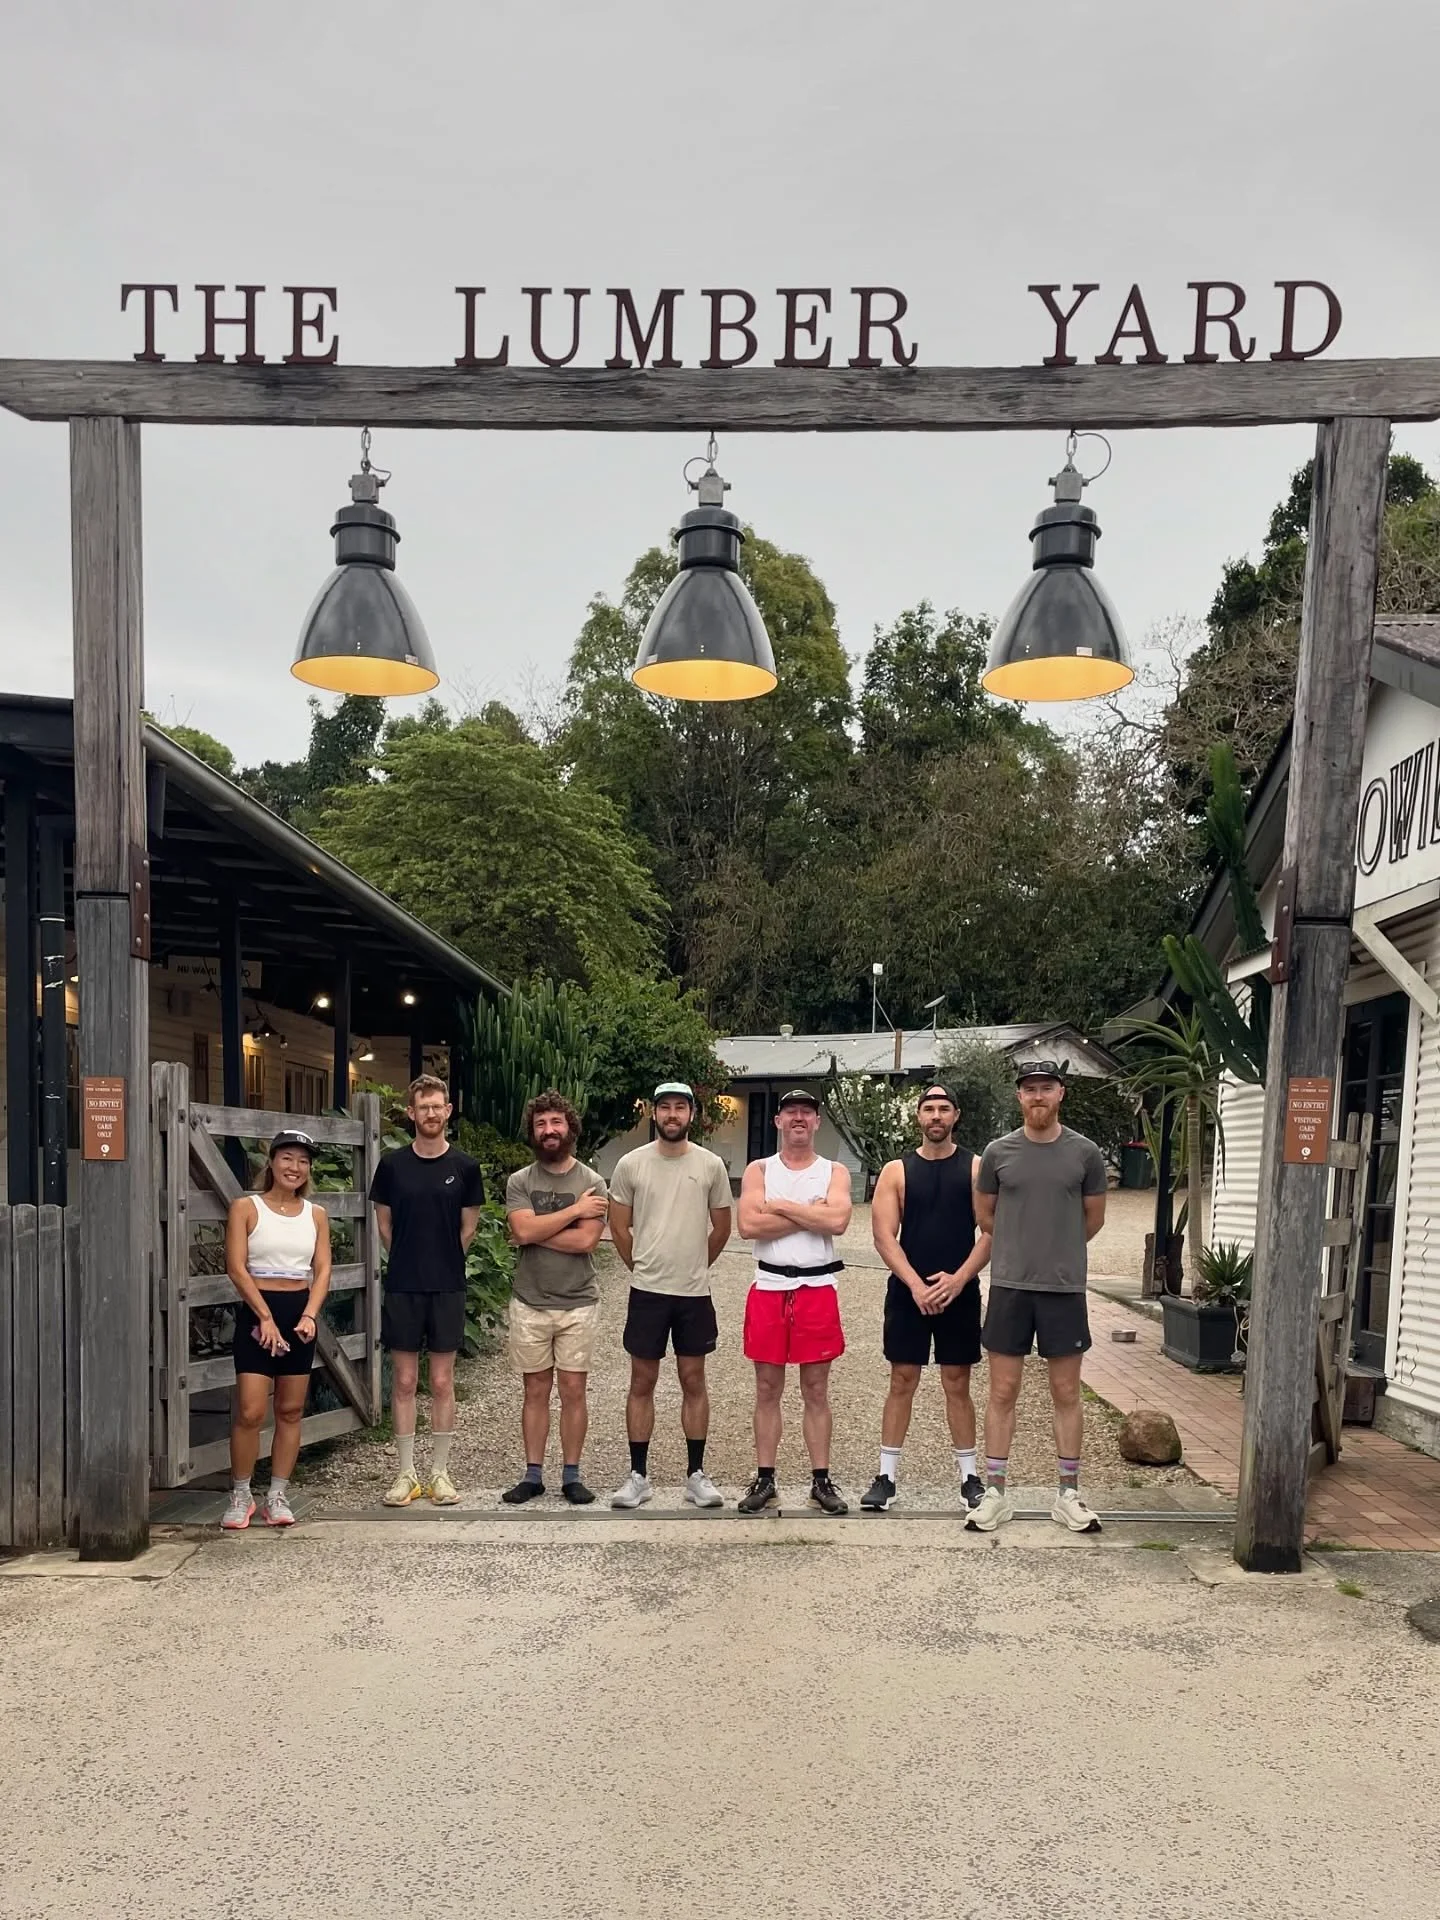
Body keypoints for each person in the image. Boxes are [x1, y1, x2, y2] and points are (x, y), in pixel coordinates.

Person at [969, 1059, 1108, 1535]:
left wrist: (1058, 1248)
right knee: (1002, 1390)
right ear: (1019, 1097)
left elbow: (1093, 1219)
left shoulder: (1085, 1154)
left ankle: (1068, 1493)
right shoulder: (997, 1152)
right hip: (1010, 1285)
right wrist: (1021, 1245)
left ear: (1061, 1094)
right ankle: (995, 1493)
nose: (1038, 1096)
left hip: (1063, 1289)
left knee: (1066, 1392)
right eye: (1029, 1089)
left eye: (1046, 1088)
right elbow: (986, 1216)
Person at [861, 1084, 992, 1513]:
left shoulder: (976, 1169)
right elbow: (883, 1235)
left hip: (959, 1291)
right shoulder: (896, 1171)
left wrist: (958, 1280)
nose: (936, 1116)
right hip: (908, 1292)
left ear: (956, 1116)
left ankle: (970, 1478)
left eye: (944, 1109)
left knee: (958, 1383)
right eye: (928, 1109)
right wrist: (916, 1285)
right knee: (902, 1380)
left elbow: (991, 1231)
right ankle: (886, 1477)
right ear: (918, 1117)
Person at [607, 1082, 732, 1510]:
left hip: (694, 1293)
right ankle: (637, 1475)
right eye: (665, 1108)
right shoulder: (631, 1164)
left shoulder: (710, 1165)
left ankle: (695, 1474)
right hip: (648, 1292)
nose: (672, 1115)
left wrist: (695, 1264)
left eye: (680, 1107)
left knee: (693, 1380)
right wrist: (641, 1266)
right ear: (654, 1114)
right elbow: (618, 1226)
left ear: (692, 1115)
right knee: (642, 1381)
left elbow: (721, 1229)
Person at [370, 1073, 486, 1508]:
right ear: (412, 1112)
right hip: (403, 1284)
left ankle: (439, 1472)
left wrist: (440, 1260)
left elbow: (468, 1229)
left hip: (447, 1285)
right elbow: (385, 1227)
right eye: (424, 1107)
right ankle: (405, 1474)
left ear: (448, 1111)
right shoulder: (392, 1165)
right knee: (404, 1380)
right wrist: (409, 1258)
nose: (431, 1113)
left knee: (441, 1380)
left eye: (438, 1106)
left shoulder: (465, 1168)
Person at [735, 1089, 853, 1516]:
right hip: (769, 1285)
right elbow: (748, 1225)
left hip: (817, 1286)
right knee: (767, 1388)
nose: (799, 1118)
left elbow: (837, 1220)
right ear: (778, 1122)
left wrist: (780, 1207)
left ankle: (820, 1479)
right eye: (791, 1112)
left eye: (807, 1112)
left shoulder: (834, 1171)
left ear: (817, 1122)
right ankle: (765, 1477)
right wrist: (808, 1212)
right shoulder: (759, 1169)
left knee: (816, 1389)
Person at [501, 1090, 609, 1506]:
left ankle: (571, 1474)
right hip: (529, 1301)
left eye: (556, 1123)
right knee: (535, 1390)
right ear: (533, 1131)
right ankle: (532, 1475)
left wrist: (537, 1229)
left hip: (578, 1302)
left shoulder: (591, 1182)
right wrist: (570, 1212)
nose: (549, 1130)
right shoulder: (520, 1181)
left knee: (573, 1390)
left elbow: (586, 1241)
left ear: (570, 1128)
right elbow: (523, 1232)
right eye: (541, 1124)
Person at [221, 1130, 332, 1529]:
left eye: (303, 1161)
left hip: (298, 1312)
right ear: (271, 1162)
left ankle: (278, 1494)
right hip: (257, 1309)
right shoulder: (246, 1207)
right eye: (287, 1158)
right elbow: (236, 1267)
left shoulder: (315, 1214)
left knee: (290, 1409)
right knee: (251, 1409)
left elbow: (322, 1270)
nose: (295, 1168)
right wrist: (264, 1316)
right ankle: (240, 1493)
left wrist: (310, 1314)